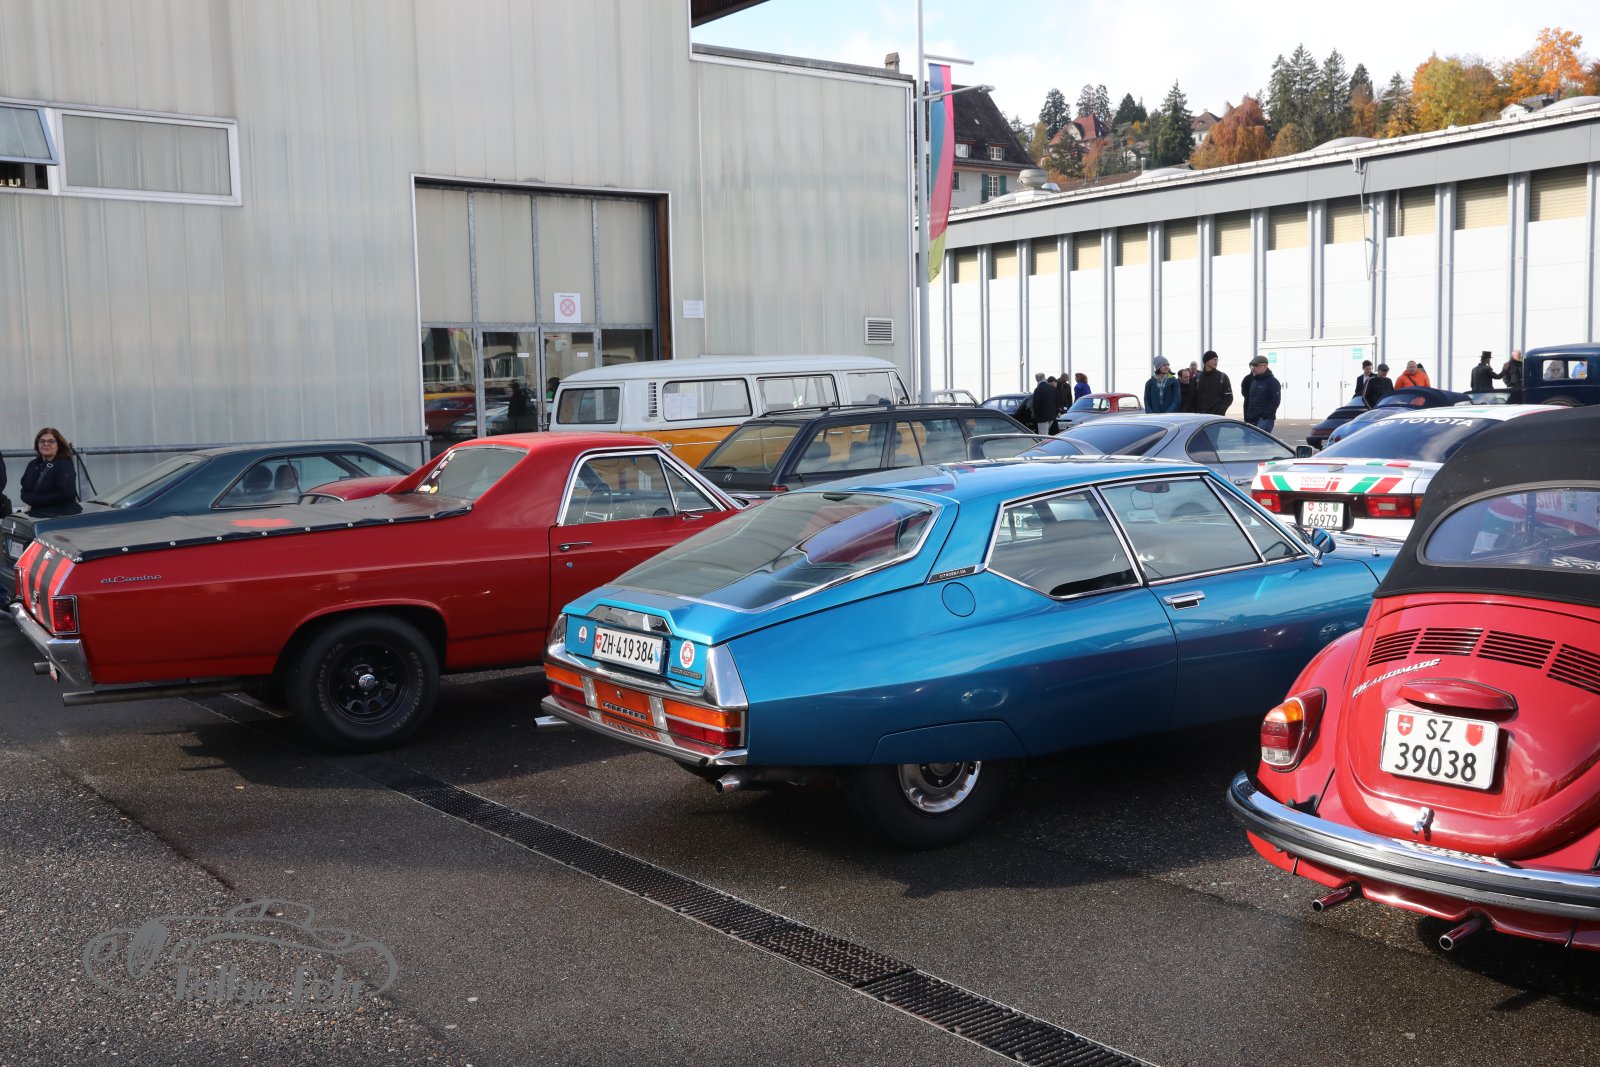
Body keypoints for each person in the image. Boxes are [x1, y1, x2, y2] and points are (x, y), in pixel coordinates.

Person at [20, 427, 79, 515]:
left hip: (59, 516)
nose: (46, 444)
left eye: (51, 441)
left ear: (58, 445)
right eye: (42, 441)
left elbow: (66, 493)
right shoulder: (33, 464)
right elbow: (24, 487)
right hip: (36, 514)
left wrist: (35, 500)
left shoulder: (64, 464)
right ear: (37, 444)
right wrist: (27, 498)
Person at [1241, 355, 1281, 433]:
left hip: (1264, 420)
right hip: (1251, 419)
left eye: (1256, 366)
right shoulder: (1252, 381)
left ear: (1265, 366)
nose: (1253, 368)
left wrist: (1265, 416)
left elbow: (1275, 401)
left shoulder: (1272, 382)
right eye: (1252, 366)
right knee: (1248, 439)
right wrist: (1247, 416)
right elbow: (1247, 398)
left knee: (1259, 439)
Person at [1194, 350, 1233, 415]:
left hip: (1216, 417)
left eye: (1217, 360)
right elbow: (1192, 398)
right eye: (1214, 359)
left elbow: (1229, 397)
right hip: (1200, 417)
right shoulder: (1197, 378)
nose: (1216, 362)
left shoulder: (1223, 377)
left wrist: (1219, 411)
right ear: (1206, 361)